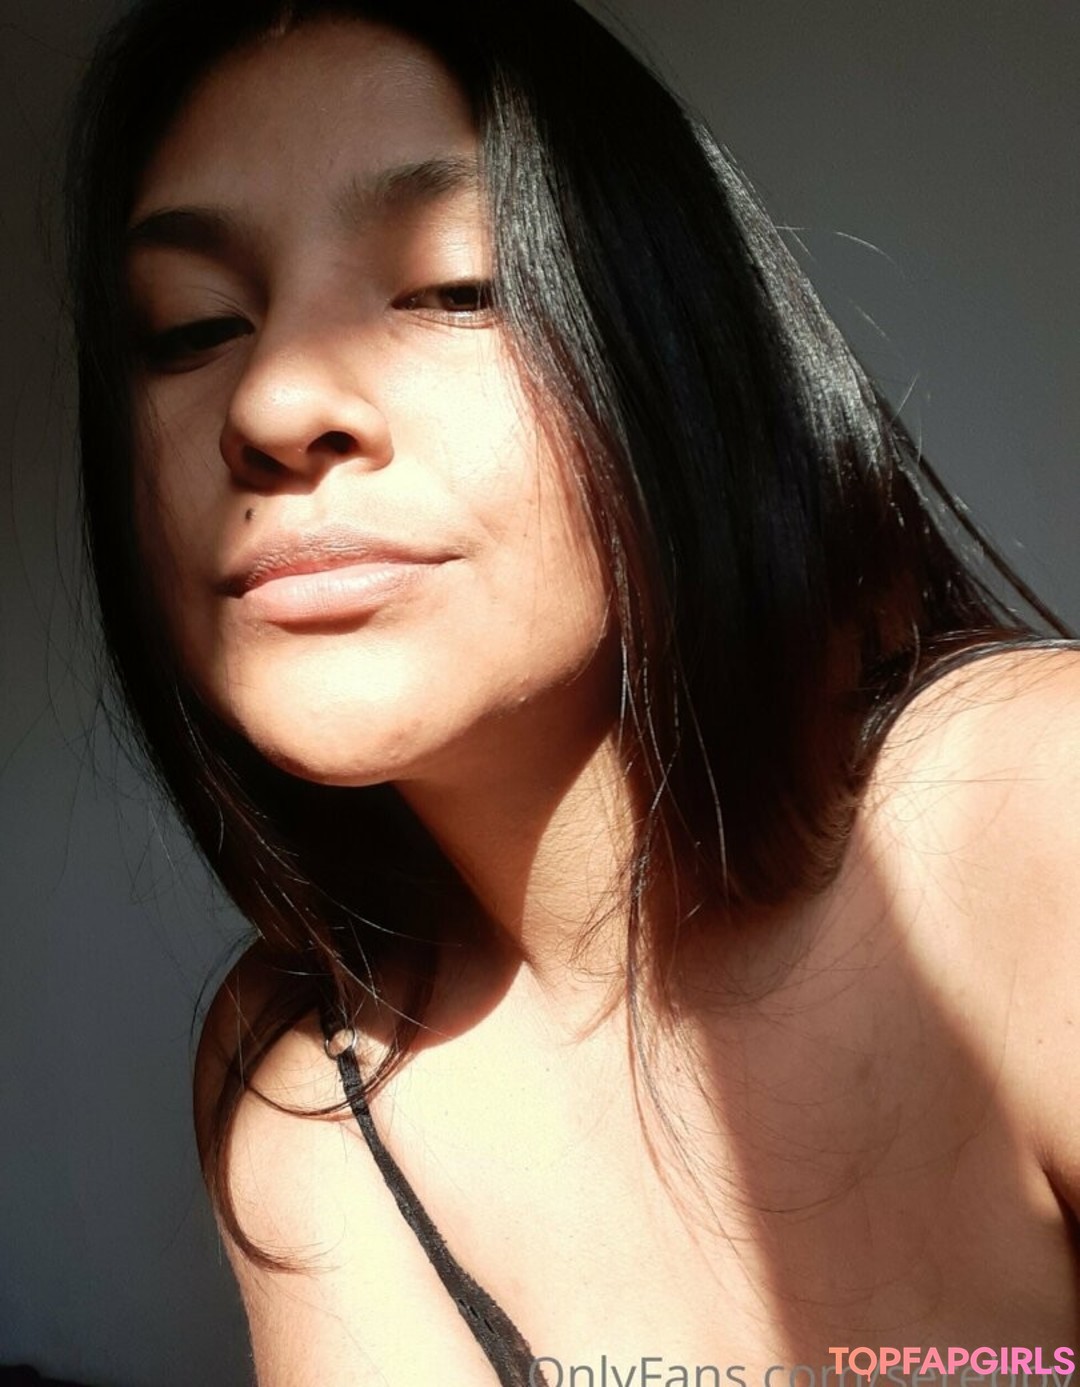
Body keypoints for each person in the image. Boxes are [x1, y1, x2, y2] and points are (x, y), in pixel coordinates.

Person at [65, 0, 1080, 1381]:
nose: (273, 404)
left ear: (678, 341)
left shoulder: (1034, 823)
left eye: (448, 286)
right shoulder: (307, 1075)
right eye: (192, 329)